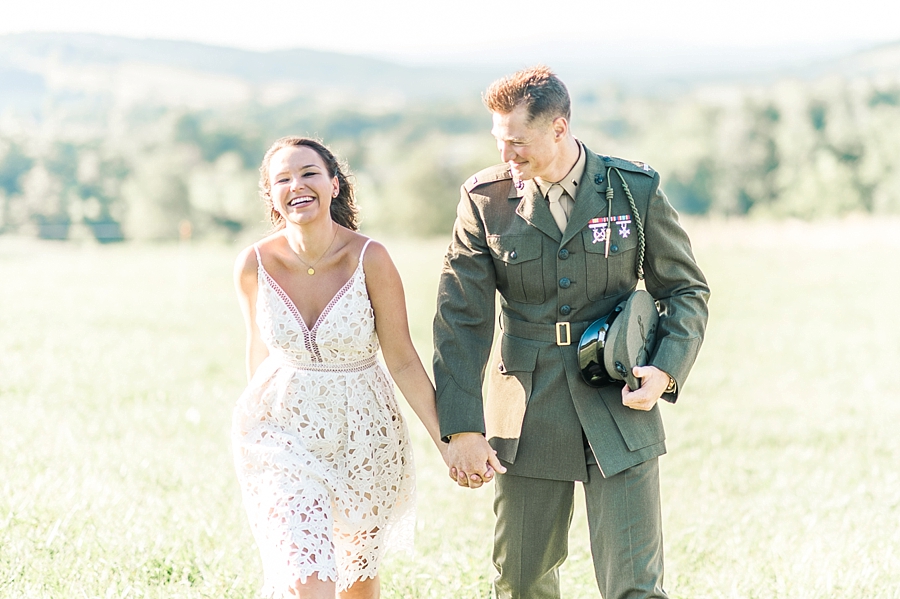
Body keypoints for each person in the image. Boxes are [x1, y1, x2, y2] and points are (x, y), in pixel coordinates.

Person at [433, 66, 710, 599]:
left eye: (518, 142)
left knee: (636, 586)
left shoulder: (633, 190)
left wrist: (666, 369)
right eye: (499, 141)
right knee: (521, 581)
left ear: (559, 129)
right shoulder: (484, 200)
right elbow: (460, 320)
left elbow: (686, 290)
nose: (506, 155)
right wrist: (462, 427)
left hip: (620, 398)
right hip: (525, 409)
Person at [233, 136, 447, 599]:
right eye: (282, 179)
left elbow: (404, 358)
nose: (297, 185)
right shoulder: (253, 264)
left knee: (356, 586)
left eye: (308, 173)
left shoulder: (370, 258)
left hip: (364, 435)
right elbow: (258, 352)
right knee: (310, 580)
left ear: (334, 184)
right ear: (270, 196)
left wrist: (447, 442)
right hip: (283, 435)